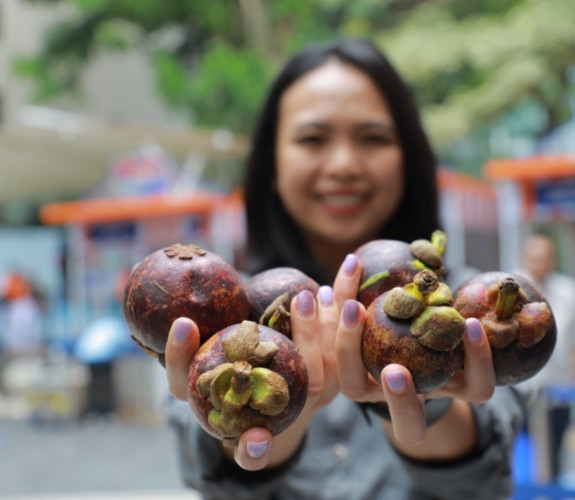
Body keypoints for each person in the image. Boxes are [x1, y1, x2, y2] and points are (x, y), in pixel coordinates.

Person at [163, 37, 532, 500]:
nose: (343, 165)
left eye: (373, 138)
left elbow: (483, 478)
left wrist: (429, 399)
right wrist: (271, 413)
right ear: (271, 166)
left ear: (408, 159)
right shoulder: (215, 315)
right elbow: (220, 481)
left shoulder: (473, 308)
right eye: (312, 138)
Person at [514, 231, 575, 482]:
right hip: (521, 389)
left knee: (555, 451)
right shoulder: (509, 286)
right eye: (534, 256)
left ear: (553, 259)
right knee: (520, 452)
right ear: (524, 258)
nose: (540, 262)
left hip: (559, 387)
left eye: (545, 256)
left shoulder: (570, 291)